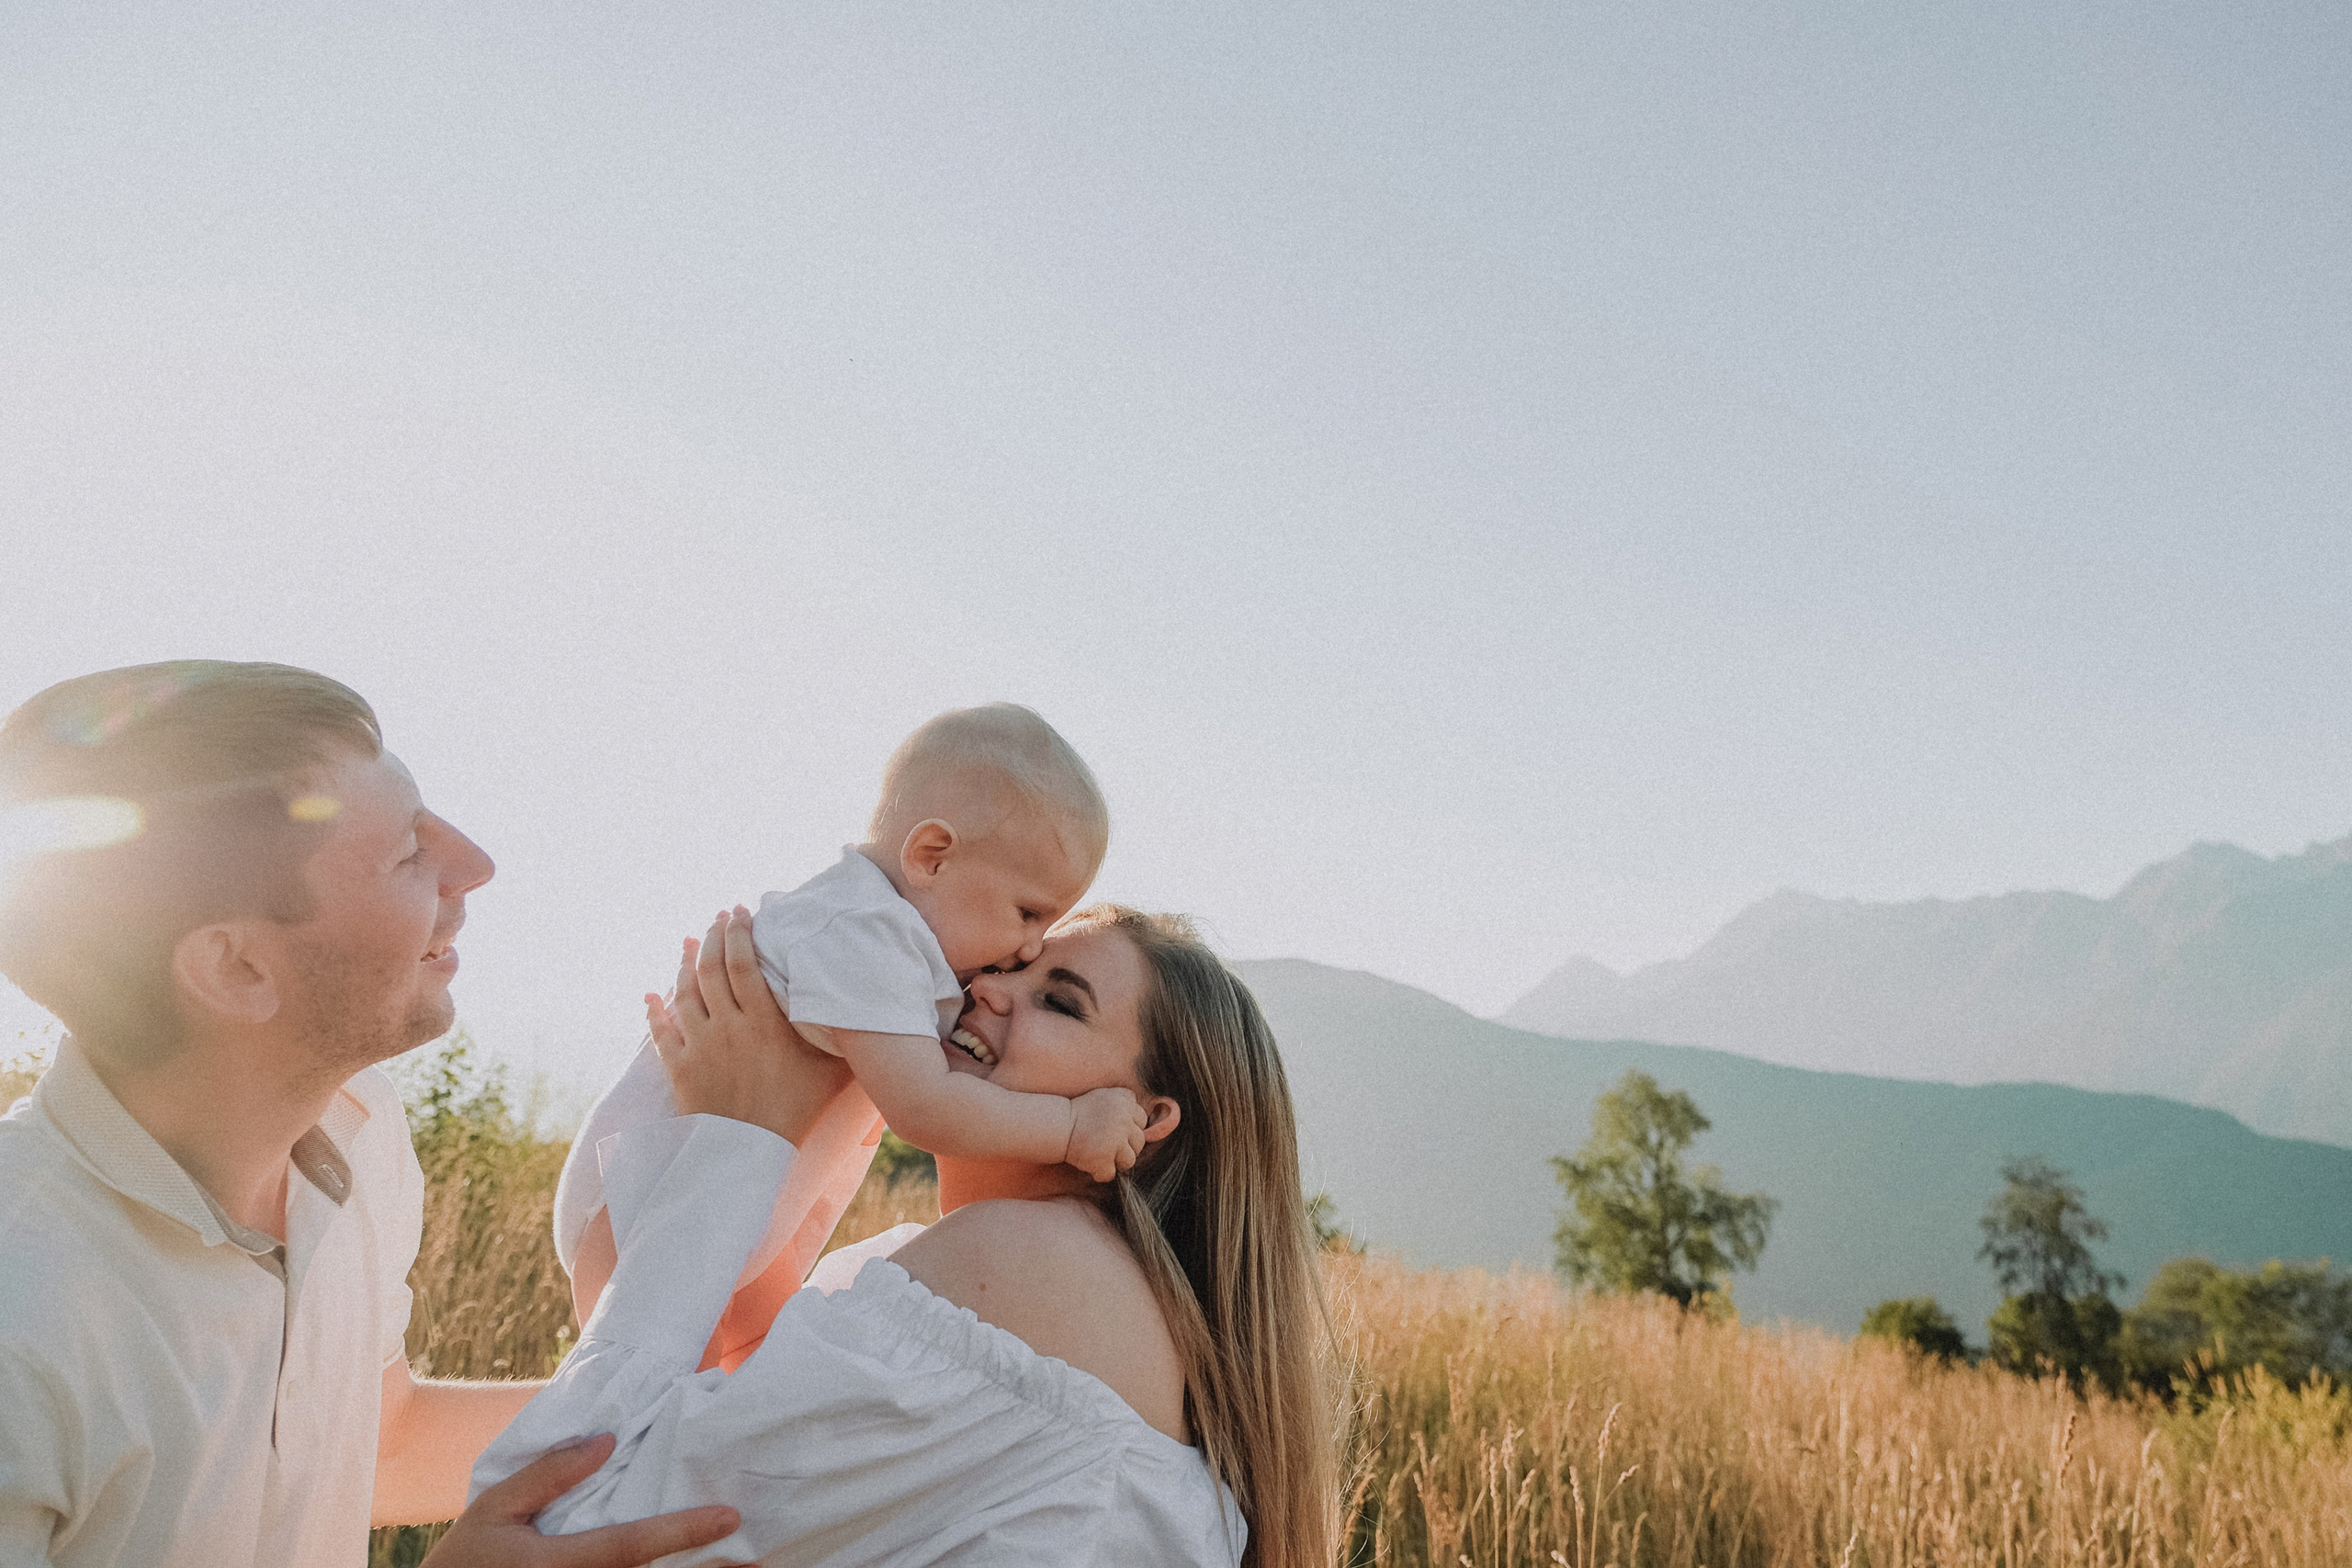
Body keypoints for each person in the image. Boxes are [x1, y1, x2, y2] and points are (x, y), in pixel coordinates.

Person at [0, 660, 741, 1567]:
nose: (474, 864)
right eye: (408, 852)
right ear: (236, 969)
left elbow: (380, 1441)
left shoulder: (357, 1126)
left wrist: (723, 1410)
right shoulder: (21, 1322)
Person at [475, 903, 1340, 1567]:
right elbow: (709, 1381)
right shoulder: (1014, 1274)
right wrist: (835, 1103)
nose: (988, 989)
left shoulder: (1030, 1264)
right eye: (1005, 965)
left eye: (1060, 1003)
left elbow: (580, 1511)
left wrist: (737, 1137)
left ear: (1147, 1119)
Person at [554, 706, 1148, 1365]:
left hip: (711, 1195)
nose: (1027, 947)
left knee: (749, 1360)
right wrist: (1069, 1125)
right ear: (932, 856)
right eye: (1029, 912)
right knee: (659, 1407)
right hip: (641, 1197)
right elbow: (926, 1106)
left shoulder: (895, 942)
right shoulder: (867, 933)